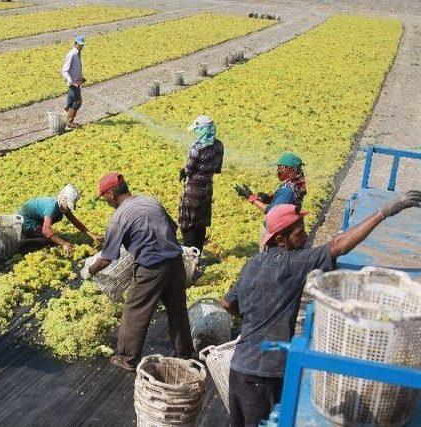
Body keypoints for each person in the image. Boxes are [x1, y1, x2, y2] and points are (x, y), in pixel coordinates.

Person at [221, 191, 421, 427]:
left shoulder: (252, 263)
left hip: (239, 370)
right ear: (280, 239)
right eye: (299, 232)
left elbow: (227, 303)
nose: (305, 236)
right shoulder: (293, 263)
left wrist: (256, 323)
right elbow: (338, 246)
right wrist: (384, 212)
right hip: (263, 377)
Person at [83, 172, 193, 372]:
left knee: (135, 310)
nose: (105, 201)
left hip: (151, 268)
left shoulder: (119, 216)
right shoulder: (150, 202)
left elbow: (107, 257)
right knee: (177, 310)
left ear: (110, 194)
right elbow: (172, 227)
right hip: (176, 263)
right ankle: (185, 352)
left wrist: (89, 271)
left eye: (104, 197)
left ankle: (126, 357)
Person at [178, 115, 224, 250]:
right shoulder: (219, 146)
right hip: (207, 190)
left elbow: (189, 168)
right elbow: (217, 168)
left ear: (202, 130)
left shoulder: (197, 147)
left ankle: (189, 253)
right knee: (201, 222)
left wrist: (184, 171)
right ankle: (198, 252)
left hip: (193, 192)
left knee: (188, 223)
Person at [17, 184, 101, 256]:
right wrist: (63, 243)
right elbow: (46, 230)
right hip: (25, 220)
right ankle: (24, 241)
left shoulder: (63, 206)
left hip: (35, 220)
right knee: (49, 241)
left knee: (54, 238)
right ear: (63, 199)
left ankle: (31, 236)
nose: (67, 207)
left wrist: (90, 233)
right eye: (67, 205)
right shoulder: (52, 207)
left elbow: (74, 221)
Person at [234, 152, 307, 214]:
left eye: (280, 169)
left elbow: (272, 211)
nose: (278, 172)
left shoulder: (288, 190)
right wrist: (265, 198)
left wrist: (252, 198)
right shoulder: (293, 184)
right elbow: (280, 201)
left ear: (290, 170)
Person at [61, 35, 86, 129]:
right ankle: (69, 121)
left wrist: (81, 78)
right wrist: (70, 81)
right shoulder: (72, 54)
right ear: (75, 43)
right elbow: (64, 70)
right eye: (79, 45)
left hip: (77, 82)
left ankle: (66, 120)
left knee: (71, 103)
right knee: (77, 102)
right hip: (73, 84)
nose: (81, 47)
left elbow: (75, 69)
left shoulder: (78, 54)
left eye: (82, 45)